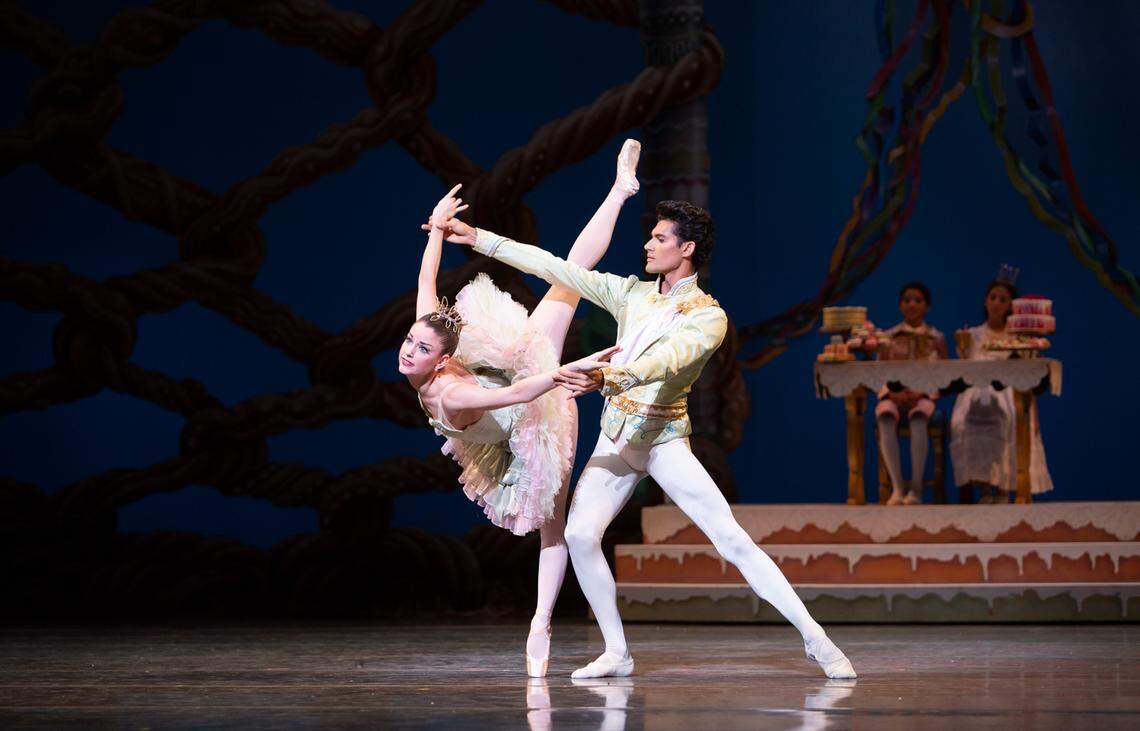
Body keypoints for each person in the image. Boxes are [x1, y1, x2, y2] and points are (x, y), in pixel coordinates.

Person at [431, 197, 856, 680]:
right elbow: (557, 267)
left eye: (660, 238)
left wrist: (609, 377)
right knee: (579, 533)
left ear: (687, 248)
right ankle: (617, 651)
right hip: (616, 439)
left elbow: (667, 361)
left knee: (730, 538)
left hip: (662, 440)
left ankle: (815, 639)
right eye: (650, 236)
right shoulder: (632, 294)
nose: (648, 244)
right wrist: (480, 239)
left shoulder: (707, 317)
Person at [402, 139, 642, 677]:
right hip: (523, 414)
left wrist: (438, 229)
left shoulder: (448, 373)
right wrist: (559, 373)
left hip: (528, 388)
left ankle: (621, 190)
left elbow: (425, 284)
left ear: (443, 357)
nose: (407, 350)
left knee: (570, 277)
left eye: (419, 345)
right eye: (411, 344)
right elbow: (509, 398)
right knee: (552, 527)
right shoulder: (448, 390)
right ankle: (543, 620)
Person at [950, 278, 1053, 502]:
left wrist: (1033, 413)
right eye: (992, 298)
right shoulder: (972, 335)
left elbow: (1026, 378)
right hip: (976, 392)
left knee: (1007, 419)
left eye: (1003, 299)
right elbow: (964, 371)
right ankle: (983, 486)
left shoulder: (1018, 339)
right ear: (985, 302)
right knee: (960, 422)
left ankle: (1003, 487)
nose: (996, 303)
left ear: (1011, 306)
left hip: (1007, 393)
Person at [875, 281, 949, 505]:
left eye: (918, 300)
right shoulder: (888, 337)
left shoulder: (936, 338)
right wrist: (892, 394)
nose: (912, 305)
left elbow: (944, 374)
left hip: (922, 397)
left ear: (927, 306)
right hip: (895, 397)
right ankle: (897, 487)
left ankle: (915, 487)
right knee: (885, 415)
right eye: (907, 300)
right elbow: (880, 372)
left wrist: (920, 392)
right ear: (900, 305)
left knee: (918, 419)